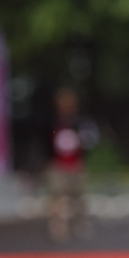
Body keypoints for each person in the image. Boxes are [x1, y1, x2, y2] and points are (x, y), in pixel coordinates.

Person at [46, 88, 97, 241]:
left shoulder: (80, 122)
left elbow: (89, 140)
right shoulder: (53, 121)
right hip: (58, 164)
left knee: (78, 197)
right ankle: (58, 228)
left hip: (76, 164)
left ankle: (80, 225)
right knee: (58, 197)